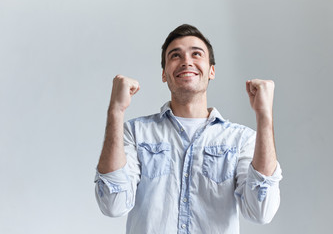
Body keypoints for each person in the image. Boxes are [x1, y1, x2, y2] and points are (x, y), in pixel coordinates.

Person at [94, 24, 283, 234]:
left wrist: (264, 116)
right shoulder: (135, 133)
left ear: (211, 70)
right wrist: (116, 111)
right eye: (175, 55)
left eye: (196, 54)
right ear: (164, 74)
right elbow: (112, 205)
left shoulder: (241, 139)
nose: (186, 61)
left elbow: (261, 211)